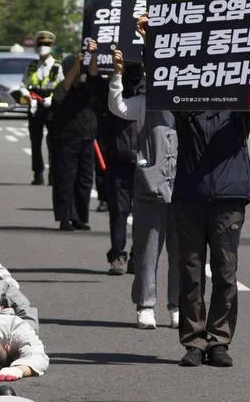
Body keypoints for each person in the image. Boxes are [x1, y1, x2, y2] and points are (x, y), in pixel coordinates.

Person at [168, 14, 250, 368]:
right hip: (190, 195)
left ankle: (219, 340)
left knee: (226, 272)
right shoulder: (186, 106)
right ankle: (193, 341)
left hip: (229, 197)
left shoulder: (239, 108)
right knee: (190, 271)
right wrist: (155, 41)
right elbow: (163, 79)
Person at [109, 43, 179, 330]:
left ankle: (177, 305)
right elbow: (118, 107)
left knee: (181, 251)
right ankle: (145, 305)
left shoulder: (188, 102)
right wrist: (117, 74)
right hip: (151, 183)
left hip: (183, 185)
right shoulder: (143, 101)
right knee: (148, 249)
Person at [48, 41, 103, 231]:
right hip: (65, 139)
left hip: (87, 138)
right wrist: (77, 64)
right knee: (65, 180)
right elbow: (63, 89)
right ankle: (64, 218)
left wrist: (93, 56)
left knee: (84, 180)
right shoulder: (61, 87)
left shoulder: (87, 87)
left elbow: (94, 76)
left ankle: (79, 217)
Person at [93, 58, 136, 275]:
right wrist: (115, 74)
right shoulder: (112, 93)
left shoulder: (150, 93)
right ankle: (118, 255)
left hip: (145, 162)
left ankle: (138, 255)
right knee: (119, 211)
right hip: (118, 161)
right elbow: (94, 83)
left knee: (143, 213)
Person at [21, 31, 62, 185]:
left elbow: (63, 87)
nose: (43, 47)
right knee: (35, 141)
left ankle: (53, 174)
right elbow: (23, 84)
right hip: (34, 106)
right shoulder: (31, 66)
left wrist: (51, 99)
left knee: (53, 141)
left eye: (47, 44)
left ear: (52, 46)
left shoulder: (58, 67)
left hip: (52, 106)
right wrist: (26, 94)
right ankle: (38, 174)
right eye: (41, 44)